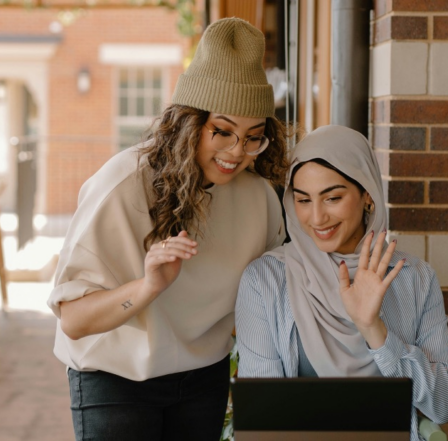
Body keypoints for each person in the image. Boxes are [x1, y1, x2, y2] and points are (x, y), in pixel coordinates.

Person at [46, 17, 290, 441]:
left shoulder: (258, 197)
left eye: (254, 136)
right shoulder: (122, 186)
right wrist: (148, 287)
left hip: (203, 378)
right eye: (223, 131)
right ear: (189, 122)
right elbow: (73, 319)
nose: (238, 152)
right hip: (115, 378)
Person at [235, 125, 448, 439]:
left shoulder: (415, 278)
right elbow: (262, 419)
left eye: (332, 198)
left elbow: (444, 405)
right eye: (303, 200)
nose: (316, 218)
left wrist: (374, 330)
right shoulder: (265, 281)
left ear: (367, 193)